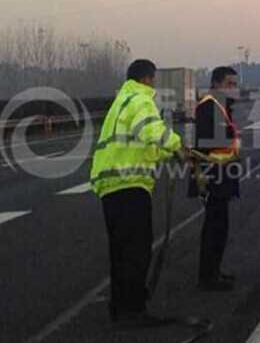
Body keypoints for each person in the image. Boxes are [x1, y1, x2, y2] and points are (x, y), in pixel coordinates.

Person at [90, 59, 186, 327]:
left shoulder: (121, 100)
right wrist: (178, 146)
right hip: (129, 185)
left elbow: (142, 142)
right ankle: (132, 311)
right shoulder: (141, 99)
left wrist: (166, 153)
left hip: (112, 187)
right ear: (147, 78)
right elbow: (152, 130)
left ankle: (121, 309)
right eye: (153, 80)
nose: (154, 84)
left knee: (120, 251)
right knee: (136, 250)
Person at [189, 66, 241, 291]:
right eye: (230, 84)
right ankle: (207, 278)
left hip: (222, 173)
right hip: (213, 175)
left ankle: (214, 271)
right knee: (214, 227)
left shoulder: (220, 105)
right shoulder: (210, 106)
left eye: (235, 84)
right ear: (217, 84)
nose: (234, 89)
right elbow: (209, 143)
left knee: (220, 226)